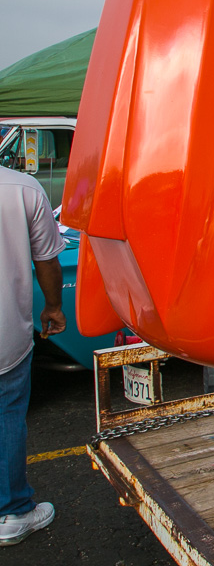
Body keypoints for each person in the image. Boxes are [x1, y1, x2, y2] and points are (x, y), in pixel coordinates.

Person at [0, 166, 65, 547]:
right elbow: (47, 260)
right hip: (6, 333)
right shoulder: (23, 187)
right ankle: (12, 511)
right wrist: (54, 306)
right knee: (7, 416)